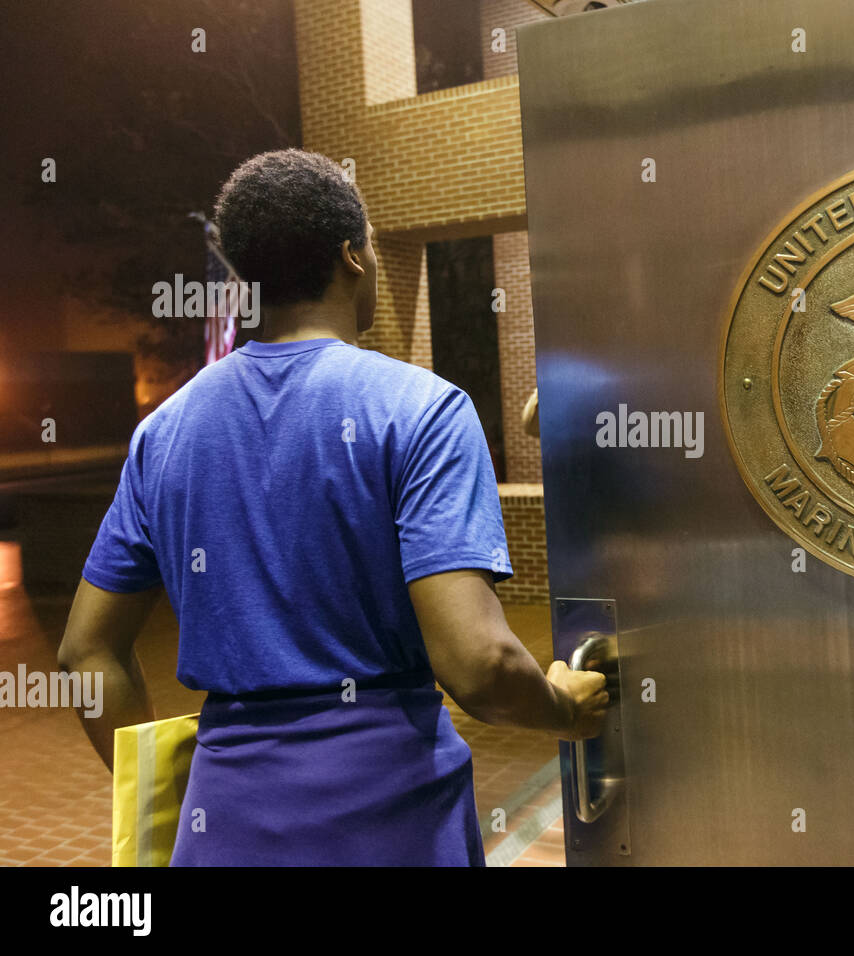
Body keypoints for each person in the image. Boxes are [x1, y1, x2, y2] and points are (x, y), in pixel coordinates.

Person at [56, 148, 607, 866]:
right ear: (353, 256)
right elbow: (477, 664)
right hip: (393, 817)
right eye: (374, 244)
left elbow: (84, 650)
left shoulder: (165, 430)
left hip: (224, 821)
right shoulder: (421, 410)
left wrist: (172, 789)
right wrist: (563, 709)